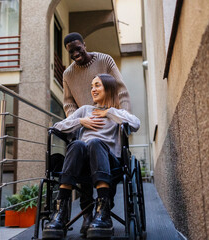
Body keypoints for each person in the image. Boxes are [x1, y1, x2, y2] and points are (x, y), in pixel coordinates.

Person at [43, 74, 140, 239]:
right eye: (92, 86)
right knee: (77, 144)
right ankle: (60, 212)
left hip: (109, 163)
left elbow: (135, 124)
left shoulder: (118, 113)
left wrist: (109, 113)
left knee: (95, 142)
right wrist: (80, 122)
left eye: (97, 85)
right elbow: (56, 127)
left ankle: (103, 211)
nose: (93, 90)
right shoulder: (85, 111)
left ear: (108, 88)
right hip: (82, 164)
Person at [61, 32, 132, 235]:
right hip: (85, 124)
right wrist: (79, 121)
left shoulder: (105, 60)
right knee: (82, 151)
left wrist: (121, 117)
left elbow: (121, 91)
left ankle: (104, 209)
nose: (75, 53)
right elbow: (68, 103)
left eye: (78, 48)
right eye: (71, 51)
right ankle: (87, 215)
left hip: (108, 119)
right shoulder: (68, 74)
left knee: (101, 153)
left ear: (84, 44)